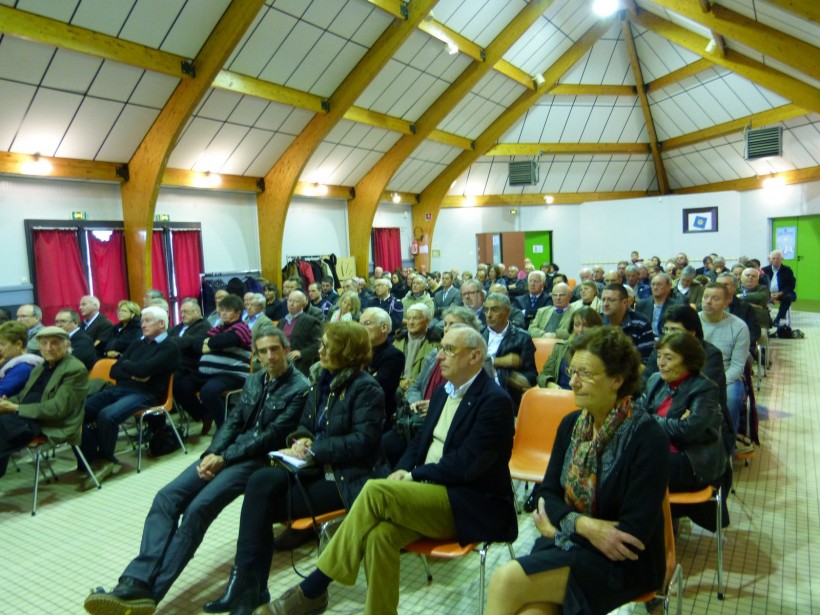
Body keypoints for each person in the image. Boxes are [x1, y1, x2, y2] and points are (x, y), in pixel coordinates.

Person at [261, 324, 518, 615]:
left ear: (474, 357)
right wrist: (404, 468)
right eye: (440, 348)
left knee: (375, 489)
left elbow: (467, 465)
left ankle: (314, 587)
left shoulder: (495, 402)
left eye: (448, 350)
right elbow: (419, 441)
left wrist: (413, 475)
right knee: (378, 535)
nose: (438, 357)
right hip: (427, 492)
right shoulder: (444, 392)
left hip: (469, 501)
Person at [81, 327, 309, 615]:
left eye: (275, 349)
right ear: (256, 354)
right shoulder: (254, 380)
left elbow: (271, 435)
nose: (270, 356)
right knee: (166, 497)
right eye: (263, 351)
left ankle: (152, 593)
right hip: (227, 453)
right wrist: (212, 453)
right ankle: (135, 581)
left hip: (257, 460)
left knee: (197, 510)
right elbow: (232, 422)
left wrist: (223, 458)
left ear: (286, 350)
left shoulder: (300, 387)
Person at [203, 321, 386, 614]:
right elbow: (305, 424)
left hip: (346, 477)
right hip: (314, 466)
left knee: (261, 507)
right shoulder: (322, 380)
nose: (320, 350)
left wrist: (314, 448)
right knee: (260, 480)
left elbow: (362, 442)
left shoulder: (366, 389)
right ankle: (245, 585)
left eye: (327, 345)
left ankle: (249, 589)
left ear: (346, 350)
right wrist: (300, 439)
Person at [486, 327, 669, 615]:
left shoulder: (647, 438)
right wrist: (582, 526)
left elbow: (631, 535)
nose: (572, 382)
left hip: (624, 565)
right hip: (572, 546)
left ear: (617, 380)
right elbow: (546, 495)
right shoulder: (572, 424)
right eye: (572, 372)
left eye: (585, 374)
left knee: (506, 579)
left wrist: (560, 527)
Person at [80, 307, 180, 484]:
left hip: (146, 394)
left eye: (148, 320)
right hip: (119, 389)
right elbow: (114, 370)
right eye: (142, 320)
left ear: (162, 324)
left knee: (107, 416)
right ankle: (91, 459)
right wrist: (136, 372)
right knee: (81, 411)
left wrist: (132, 367)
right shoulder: (138, 343)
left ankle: (107, 460)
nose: (143, 324)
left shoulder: (170, 347)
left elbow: (145, 370)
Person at [638, 331, 728, 493]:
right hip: (655, 449)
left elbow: (686, 430)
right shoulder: (656, 380)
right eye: (659, 356)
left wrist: (649, 420)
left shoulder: (705, 388)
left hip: (690, 460)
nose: (661, 363)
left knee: (640, 471)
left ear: (688, 361)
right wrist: (673, 422)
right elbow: (636, 413)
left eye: (669, 358)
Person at [0, 326, 87, 479]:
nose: (48, 348)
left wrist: (15, 407)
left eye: (54, 343)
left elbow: (58, 409)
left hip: (53, 423)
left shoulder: (75, 369)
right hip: (27, 417)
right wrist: (7, 403)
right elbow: (23, 396)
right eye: (44, 343)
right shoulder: (40, 367)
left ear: (66, 345)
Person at [181, 294, 253, 434]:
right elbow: (197, 343)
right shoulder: (218, 328)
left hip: (231, 374)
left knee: (208, 392)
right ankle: (203, 414)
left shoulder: (242, 328)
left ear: (238, 313)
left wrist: (210, 343)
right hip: (207, 374)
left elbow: (223, 341)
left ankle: (224, 428)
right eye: (222, 309)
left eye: (228, 310)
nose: (223, 312)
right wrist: (208, 343)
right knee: (181, 385)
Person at [482, 292, 536, 411]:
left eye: (494, 310)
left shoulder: (522, 338)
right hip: (478, 390)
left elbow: (531, 374)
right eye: (486, 310)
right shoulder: (478, 334)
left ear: (507, 311)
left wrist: (522, 379)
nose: (488, 315)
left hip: (504, 393)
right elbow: (467, 364)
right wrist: (498, 361)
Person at [537, 307, 602, 389]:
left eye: (586, 325)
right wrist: (550, 384)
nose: (580, 330)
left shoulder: (601, 351)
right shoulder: (561, 347)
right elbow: (543, 375)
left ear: (596, 328)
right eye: (577, 325)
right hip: (560, 395)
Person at [0, 321, 44, 398]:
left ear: (18, 344)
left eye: (2, 344)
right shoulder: (10, 361)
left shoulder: (24, 367)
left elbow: (2, 391)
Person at [762, 249, 796, 328]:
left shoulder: (787, 270)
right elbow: (761, 284)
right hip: (767, 293)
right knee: (760, 297)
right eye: (773, 258)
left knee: (788, 297)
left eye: (778, 258)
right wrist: (769, 294)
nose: (775, 260)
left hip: (783, 293)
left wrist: (780, 293)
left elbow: (791, 285)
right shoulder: (764, 270)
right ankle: (767, 320)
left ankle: (778, 319)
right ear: (770, 259)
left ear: (782, 259)